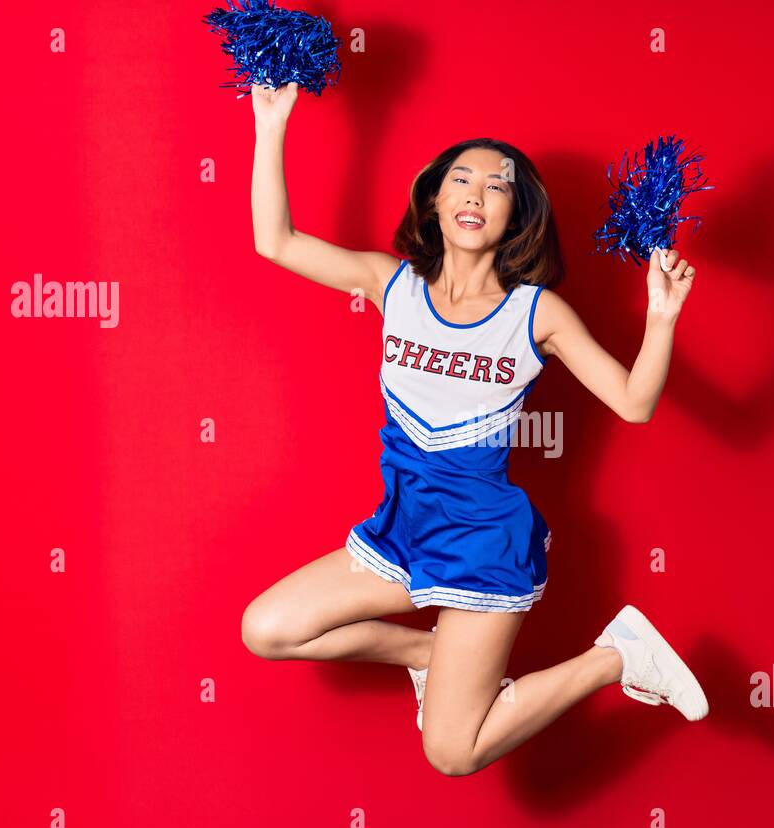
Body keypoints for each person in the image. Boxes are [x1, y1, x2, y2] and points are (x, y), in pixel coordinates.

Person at [241, 81, 709, 777]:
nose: (475, 193)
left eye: (497, 187)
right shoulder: (390, 284)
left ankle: (619, 656)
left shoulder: (535, 314)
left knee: (450, 753)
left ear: (516, 215)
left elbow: (634, 403)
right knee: (267, 629)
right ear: (433, 199)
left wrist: (662, 319)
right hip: (401, 529)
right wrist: (271, 122)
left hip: (483, 543)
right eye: (461, 179)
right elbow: (274, 242)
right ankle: (431, 654)